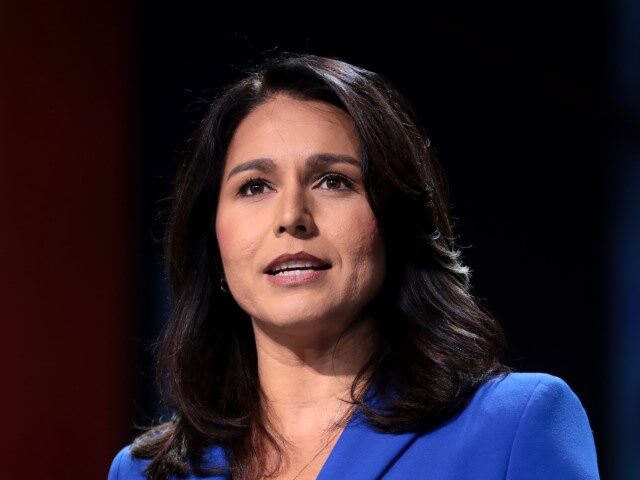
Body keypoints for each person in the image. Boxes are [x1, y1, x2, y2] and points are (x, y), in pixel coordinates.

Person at [108, 53, 600, 479]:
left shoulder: (514, 426)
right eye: (254, 186)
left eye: (333, 181)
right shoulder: (145, 471)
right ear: (213, 240)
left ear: (393, 221)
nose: (291, 218)